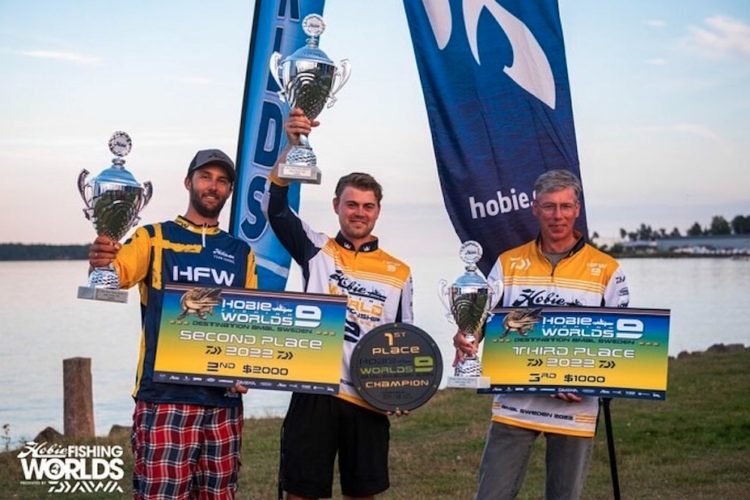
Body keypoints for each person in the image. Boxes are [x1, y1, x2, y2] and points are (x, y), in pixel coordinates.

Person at [87, 149, 257, 499]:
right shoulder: (153, 237)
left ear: (229, 191)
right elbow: (113, 278)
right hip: (164, 397)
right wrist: (102, 261)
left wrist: (248, 369)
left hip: (223, 401)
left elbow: (250, 323)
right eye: (206, 177)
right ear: (188, 182)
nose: (213, 186)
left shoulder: (242, 252)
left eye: (222, 180)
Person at [265, 108, 414, 500]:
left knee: (362, 494)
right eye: (352, 204)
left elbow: (403, 341)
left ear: (378, 211)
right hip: (315, 392)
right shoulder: (316, 249)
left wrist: (403, 391)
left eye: (367, 206)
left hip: (368, 398)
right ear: (336, 206)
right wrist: (292, 145)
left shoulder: (399, 272)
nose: (359, 213)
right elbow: (276, 208)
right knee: (301, 492)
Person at [454, 169, 629, 500]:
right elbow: (479, 316)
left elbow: (617, 345)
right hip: (514, 406)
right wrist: (467, 335)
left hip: (575, 412)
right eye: (549, 206)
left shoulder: (607, 270)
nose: (557, 215)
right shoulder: (508, 262)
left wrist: (589, 380)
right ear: (535, 208)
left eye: (565, 206)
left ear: (577, 209)